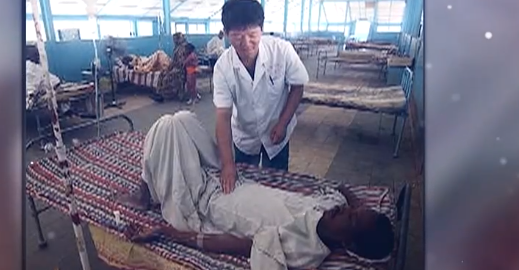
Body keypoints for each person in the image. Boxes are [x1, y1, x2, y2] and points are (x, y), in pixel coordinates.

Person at [117, 111, 394, 269]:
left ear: (348, 244)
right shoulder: (331, 208)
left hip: (203, 200)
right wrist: (360, 208)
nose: (345, 210)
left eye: (352, 218)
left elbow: (237, 245)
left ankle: (145, 194)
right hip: (229, 179)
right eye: (353, 210)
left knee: (165, 127)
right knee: (182, 118)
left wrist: (166, 232)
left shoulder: (303, 247)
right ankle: (148, 187)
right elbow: (343, 189)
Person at [212, 0, 308, 185]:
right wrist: (227, 164)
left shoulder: (281, 51)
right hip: (245, 136)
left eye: (252, 34)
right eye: (237, 35)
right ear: (226, 34)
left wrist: (283, 123)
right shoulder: (223, 67)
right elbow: (223, 116)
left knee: (278, 182)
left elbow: (297, 86)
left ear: (261, 29)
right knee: (245, 184)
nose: (246, 43)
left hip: (277, 131)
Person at [157, 32, 189, 101]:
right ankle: (159, 94)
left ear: (178, 39)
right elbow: (174, 61)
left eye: (174, 39)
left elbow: (181, 62)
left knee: (167, 77)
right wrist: (169, 67)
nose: (173, 41)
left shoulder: (183, 48)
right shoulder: (177, 47)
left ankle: (165, 95)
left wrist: (171, 68)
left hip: (182, 70)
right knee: (161, 74)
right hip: (176, 67)